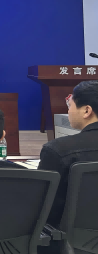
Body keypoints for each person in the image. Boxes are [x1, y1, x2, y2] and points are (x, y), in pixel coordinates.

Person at [38, 81, 98, 228]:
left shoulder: (58, 149)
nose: (69, 111)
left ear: (87, 111)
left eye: (70, 105)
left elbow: (41, 204)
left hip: (68, 237)